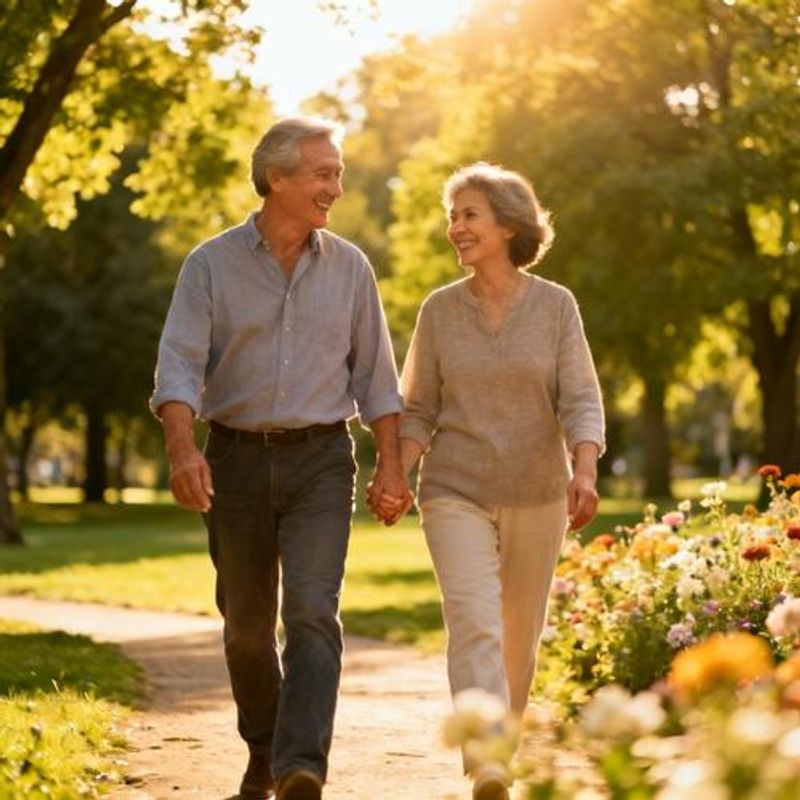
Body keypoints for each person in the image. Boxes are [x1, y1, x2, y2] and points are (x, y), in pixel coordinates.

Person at [150, 116, 410, 800]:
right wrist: (182, 452)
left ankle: (302, 767)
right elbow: (178, 367)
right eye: (324, 173)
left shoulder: (351, 267)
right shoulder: (210, 264)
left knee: (313, 613)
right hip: (233, 459)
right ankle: (263, 749)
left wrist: (390, 467)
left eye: (338, 172)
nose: (337, 186)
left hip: (322, 458)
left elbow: (378, 380)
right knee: (244, 627)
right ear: (278, 179)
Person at [370, 162, 605, 800]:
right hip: (455, 487)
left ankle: (503, 743)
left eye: (469, 215)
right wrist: (396, 472)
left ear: (507, 224)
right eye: (453, 216)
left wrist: (584, 469)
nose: (456, 228)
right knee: (474, 620)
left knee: (518, 634)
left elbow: (581, 397)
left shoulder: (556, 306)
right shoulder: (440, 311)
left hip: (538, 490)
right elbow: (417, 406)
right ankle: (488, 763)